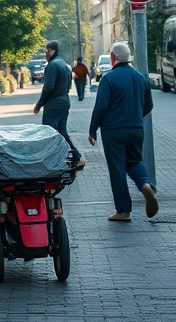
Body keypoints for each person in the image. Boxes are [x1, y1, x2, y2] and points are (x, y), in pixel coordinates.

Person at [87, 40, 159, 222]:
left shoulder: (109, 78)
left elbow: (101, 107)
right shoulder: (141, 77)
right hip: (136, 129)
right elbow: (148, 105)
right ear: (128, 57)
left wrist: (93, 129)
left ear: (113, 57)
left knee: (117, 168)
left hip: (113, 131)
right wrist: (135, 117)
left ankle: (123, 211)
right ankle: (145, 185)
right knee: (135, 161)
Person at [33, 40, 85, 170]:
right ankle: (76, 157)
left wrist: (39, 104)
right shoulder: (64, 64)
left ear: (50, 50)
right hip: (64, 101)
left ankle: (52, 161)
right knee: (61, 132)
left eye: (46, 51)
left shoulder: (52, 66)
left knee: (49, 133)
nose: (45, 54)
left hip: (54, 103)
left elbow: (49, 87)